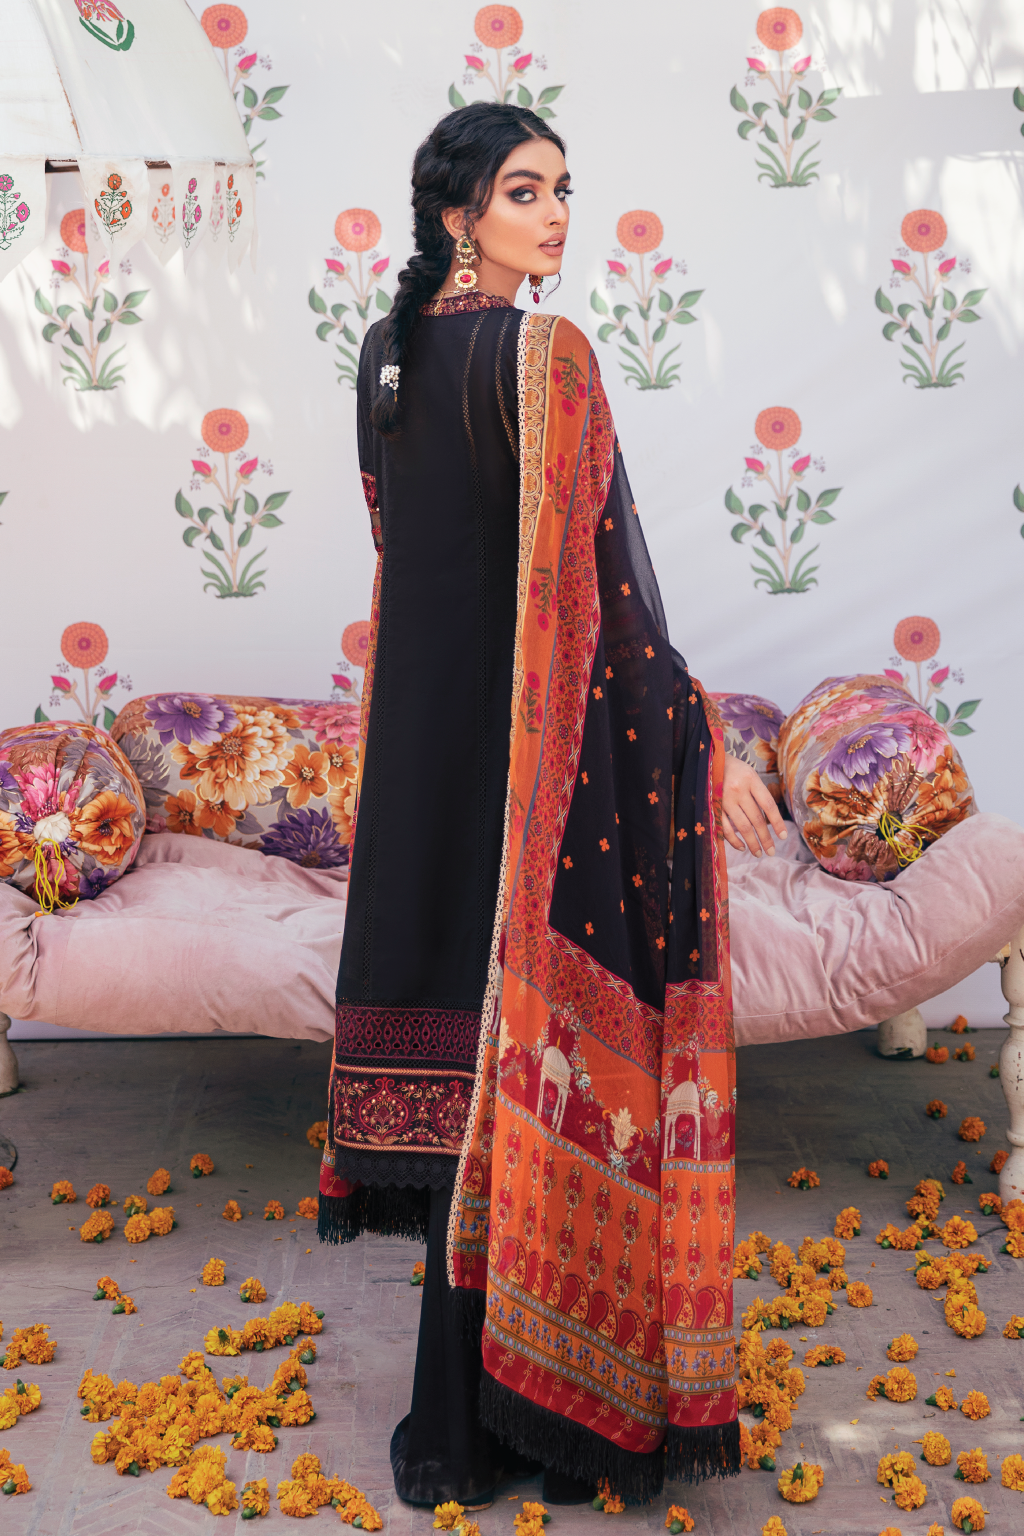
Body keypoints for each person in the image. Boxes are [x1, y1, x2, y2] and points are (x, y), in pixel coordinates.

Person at [318, 102, 786, 1508]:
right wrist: (701, 741)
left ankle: (456, 1430)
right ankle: (524, 1414)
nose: (557, 215)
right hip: (545, 771)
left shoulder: (385, 353)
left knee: (469, 1081)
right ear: (458, 213)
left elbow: (404, 555)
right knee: (531, 1077)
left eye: (565, 189)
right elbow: (606, 597)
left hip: (426, 763)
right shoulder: (548, 355)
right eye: (526, 191)